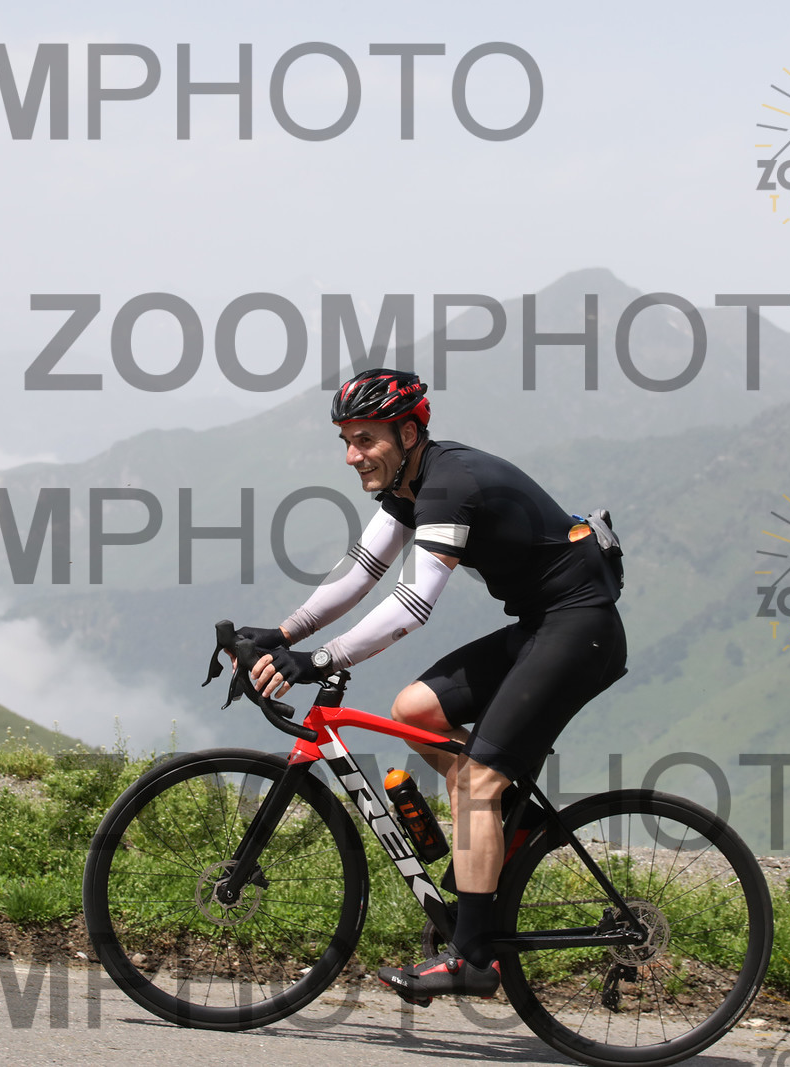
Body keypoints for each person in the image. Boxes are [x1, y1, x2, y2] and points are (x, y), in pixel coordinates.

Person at [244, 367, 626, 1002]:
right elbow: (360, 572)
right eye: (346, 440)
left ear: (408, 433)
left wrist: (320, 660)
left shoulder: (450, 485)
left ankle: (474, 959)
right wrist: (282, 634)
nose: (352, 456)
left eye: (365, 440)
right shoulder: (411, 484)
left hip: (580, 631)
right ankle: (505, 823)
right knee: (416, 710)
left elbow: (412, 604)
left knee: (476, 782)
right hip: (541, 626)